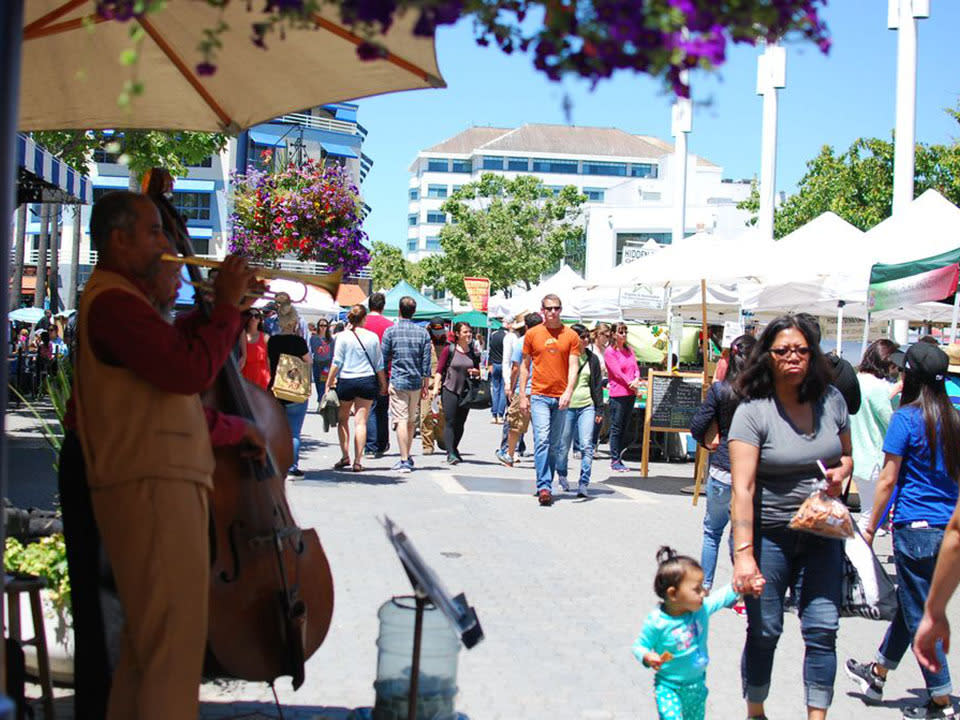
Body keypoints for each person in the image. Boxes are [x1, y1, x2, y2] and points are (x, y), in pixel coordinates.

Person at [68, 190, 262, 720]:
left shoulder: (121, 301)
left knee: (147, 649)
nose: (166, 245)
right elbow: (188, 373)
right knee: (173, 651)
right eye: (155, 232)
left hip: (153, 480)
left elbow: (174, 364)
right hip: (149, 483)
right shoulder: (113, 302)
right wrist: (223, 306)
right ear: (119, 239)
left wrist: (225, 310)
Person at [729, 313, 852, 720]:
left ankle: (816, 716)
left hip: (821, 532)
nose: (793, 357)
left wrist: (842, 473)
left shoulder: (831, 401)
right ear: (767, 356)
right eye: (782, 350)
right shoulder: (753, 411)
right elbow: (742, 488)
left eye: (801, 350)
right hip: (769, 535)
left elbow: (846, 455)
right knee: (765, 630)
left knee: (823, 628)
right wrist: (743, 554)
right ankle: (756, 710)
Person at [845, 342, 960, 720]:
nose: (899, 375)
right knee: (913, 604)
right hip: (948, 529)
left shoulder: (906, 419)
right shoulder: (956, 419)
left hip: (914, 529)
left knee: (917, 611)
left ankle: (941, 698)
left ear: (911, 376)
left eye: (902, 371)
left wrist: (868, 527)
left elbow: (888, 480)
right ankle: (877, 673)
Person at [632, 546, 739, 720]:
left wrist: (739, 584)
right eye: (697, 589)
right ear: (673, 594)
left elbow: (721, 598)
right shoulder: (657, 622)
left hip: (696, 685)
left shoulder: (700, 610)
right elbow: (639, 645)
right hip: (668, 687)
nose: (703, 593)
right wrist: (646, 656)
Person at [689, 333, 756, 594]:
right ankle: (741, 590)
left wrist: (708, 439)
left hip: (721, 468)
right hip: (751, 473)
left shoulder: (719, 390)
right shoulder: (765, 394)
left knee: (712, 531)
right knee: (742, 535)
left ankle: (705, 587)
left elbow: (696, 426)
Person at [518, 294, 580, 506]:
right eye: (549, 308)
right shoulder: (533, 334)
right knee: (542, 439)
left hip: (561, 396)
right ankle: (544, 485)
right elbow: (525, 366)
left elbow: (573, 366)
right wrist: (522, 395)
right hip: (539, 395)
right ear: (542, 310)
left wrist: (569, 391)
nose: (553, 312)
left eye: (557, 308)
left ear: (561, 310)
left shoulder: (571, 335)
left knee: (555, 444)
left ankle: (547, 482)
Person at [326, 304, 387, 472]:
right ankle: (358, 461)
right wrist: (383, 383)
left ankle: (345, 456)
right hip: (366, 380)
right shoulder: (373, 337)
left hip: (346, 379)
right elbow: (378, 363)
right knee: (361, 422)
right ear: (364, 318)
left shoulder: (342, 336)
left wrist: (329, 381)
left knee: (343, 419)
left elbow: (337, 361)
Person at [848, 338, 900, 533]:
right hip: (875, 459)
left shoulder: (856, 380)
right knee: (870, 519)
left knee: (868, 513)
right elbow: (892, 422)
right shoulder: (880, 387)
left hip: (858, 458)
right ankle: (856, 558)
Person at [381, 296, 431, 473]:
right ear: (414, 312)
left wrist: (383, 381)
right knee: (410, 421)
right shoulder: (423, 333)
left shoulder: (390, 332)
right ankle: (407, 456)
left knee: (401, 420)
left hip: (398, 380)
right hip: (416, 382)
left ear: (399, 310)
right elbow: (426, 362)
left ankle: (403, 459)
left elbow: (383, 358)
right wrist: (426, 384)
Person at [556, 324, 603, 498]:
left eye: (587, 337)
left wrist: (599, 409)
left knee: (586, 445)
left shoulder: (593, 359)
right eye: (581, 337)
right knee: (563, 446)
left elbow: (597, 385)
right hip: (567, 406)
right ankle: (561, 475)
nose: (585, 340)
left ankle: (584, 482)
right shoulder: (564, 357)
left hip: (586, 405)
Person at [267, 305, 311, 479]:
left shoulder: (272, 341)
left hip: (276, 388)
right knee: (294, 431)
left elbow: (269, 362)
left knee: (276, 429)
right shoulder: (299, 342)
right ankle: (292, 466)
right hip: (295, 389)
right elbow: (309, 362)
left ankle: (275, 463)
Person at [433, 321, 481, 465]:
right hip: (450, 389)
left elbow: (478, 371)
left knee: (460, 423)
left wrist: (476, 372)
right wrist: (436, 388)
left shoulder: (474, 351)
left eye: (470, 331)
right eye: (465, 332)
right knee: (450, 421)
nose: (469, 334)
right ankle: (450, 453)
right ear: (458, 334)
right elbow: (440, 370)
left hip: (466, 391)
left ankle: (454, 448)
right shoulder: (450, 349)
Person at [497, 313, 541, 467]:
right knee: (541, 428)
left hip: (524, 389)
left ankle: (509, 455)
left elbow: (515, 368)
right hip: (542, 390)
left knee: (515, 425)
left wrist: (511, 386)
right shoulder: (547, 342)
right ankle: (540, 459)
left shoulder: (521, 342)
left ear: (526, 326)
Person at [604, 322, 641, 472]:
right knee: (617, 427)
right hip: (618, 392)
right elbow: (617, 372)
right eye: (620, 332)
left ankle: (619, 455)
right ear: (613, 334)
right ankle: (614, 459)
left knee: (625, 427)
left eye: (625, 332)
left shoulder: (629, 350)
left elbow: (635, 368)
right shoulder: (610, 352)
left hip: (630, 393)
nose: (624, 335)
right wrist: (630, 383)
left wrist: (637, 379)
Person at [364, 291, 393, 458]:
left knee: (370, 408)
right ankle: (382, 442)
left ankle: (371, 445)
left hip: (365, 370)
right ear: (383, 306)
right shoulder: (389, 325)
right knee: (383, 408)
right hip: (386, 370)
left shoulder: (362, 322)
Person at [420, 317, 449, 455]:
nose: (438, 333)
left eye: (440, 329)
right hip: (427, 384)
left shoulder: (448, 344)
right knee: (426, 415)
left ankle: (441, 437)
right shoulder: (425, 343)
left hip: (443, 385)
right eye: (435, 330)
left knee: (442, 415)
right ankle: (427, 444)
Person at [238, 308, 270, 390]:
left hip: (262, 377)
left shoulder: (265, 337)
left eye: (256, 316)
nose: (253, 318)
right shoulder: (241, 335)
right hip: (245, 376)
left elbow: (269, 359)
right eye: (250, 316)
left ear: (260, 320)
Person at [310, 317, 334, 408]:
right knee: (317, 382)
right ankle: (320, 399)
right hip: (316, 363)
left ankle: (321, 401)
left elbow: (332, 352)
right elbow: (311, 350)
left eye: (325, 325)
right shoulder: (314, 338)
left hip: (326, 364)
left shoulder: (330, 339)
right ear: (318, 326)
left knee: (323, 383)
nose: (323, 327)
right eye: (321, 325)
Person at [488, 322, 507, 424]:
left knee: (495, 390)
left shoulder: (493, 335)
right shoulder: (507, 336)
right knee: (503, 391)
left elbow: (490, 351)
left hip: (494, 364)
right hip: (504, 365)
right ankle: (500, 414)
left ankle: (493, 414)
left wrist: (489, 364)